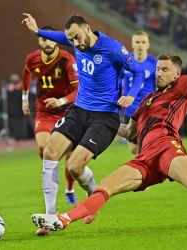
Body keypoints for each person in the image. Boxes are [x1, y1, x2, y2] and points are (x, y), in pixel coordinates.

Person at [30, 19, 187, 232]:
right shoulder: (148, 99)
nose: (158, 73)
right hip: (145, 158)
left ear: (177, 73)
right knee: (105, 186)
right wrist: (100, 126)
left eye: (165, 70)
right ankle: (63, 219)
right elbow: (128, 131)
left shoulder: (181, 88)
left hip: (166, 147)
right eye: (157, 69)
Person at [22, 14, 144, 234]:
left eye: (78, 37)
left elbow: (137, 71)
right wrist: (37, 31)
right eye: (72, 39)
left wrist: (132, 96)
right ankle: (50, 217)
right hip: (79, 110)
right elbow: (59, 36)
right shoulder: (72, 38)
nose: (75, 43)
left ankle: (92, 196)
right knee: (49, 152)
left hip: (105, 116)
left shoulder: (113, 48)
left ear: (87, 28)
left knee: (74, 166)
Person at [21, 25, 80, 234]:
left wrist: (62, 99)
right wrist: (24, 98)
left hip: (67, 112)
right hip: (44, 112)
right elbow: (26, 74)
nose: (46, 43)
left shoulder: (67, 60)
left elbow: (77, 89)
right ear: (39, 41)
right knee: (44, 148)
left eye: (49, 39)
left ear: (55, 41)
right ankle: (50, 213)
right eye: (42, 40)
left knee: (72, 162)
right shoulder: (33, 58)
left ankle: (70, 188)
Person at [122, 30, 156, 154]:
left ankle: (147, 169)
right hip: (130, 111)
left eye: (143, 42)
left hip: (147, 110)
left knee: (146, 146)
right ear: (132, 44)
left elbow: (159, 87)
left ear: (148, 45)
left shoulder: (154, 64)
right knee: (133, 149)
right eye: (137, 42)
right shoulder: (125, 61)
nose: (140, 45)